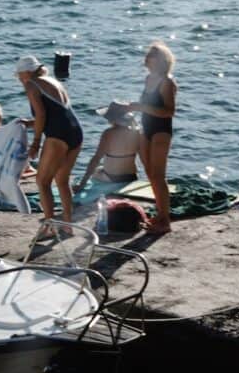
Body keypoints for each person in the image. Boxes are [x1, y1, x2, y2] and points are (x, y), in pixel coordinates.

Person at [15, 54, 83, 234]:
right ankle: (68, 225)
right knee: (62, 180)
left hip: (58, 135)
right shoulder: (53, 81)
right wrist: (29, 123)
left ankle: (49, 224)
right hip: (76, 131)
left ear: (27, 73)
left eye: (19, 75)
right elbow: (53, 113)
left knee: (42, 181)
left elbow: (43, 116)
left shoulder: (31, 84)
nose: (19, 79)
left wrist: (36, 143)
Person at [127, 40, 177, 235]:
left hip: (161, 131)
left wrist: (141, 107)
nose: (146, 58)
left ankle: (165, 220)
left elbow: (169, 111)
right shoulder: (149, 79)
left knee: (158, 175)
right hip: (146, 128)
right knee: (149, 173)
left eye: (150, 55)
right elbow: (145, 105)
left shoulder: (167, 82)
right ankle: (160, 213)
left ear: (160, 60)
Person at [72, 101, 140, 193]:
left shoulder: (108, 133)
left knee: (96, 170)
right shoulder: (137, 133)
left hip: (113, 178)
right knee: (101, 167)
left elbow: (96, 158)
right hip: (132, 176)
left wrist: (82, 184)